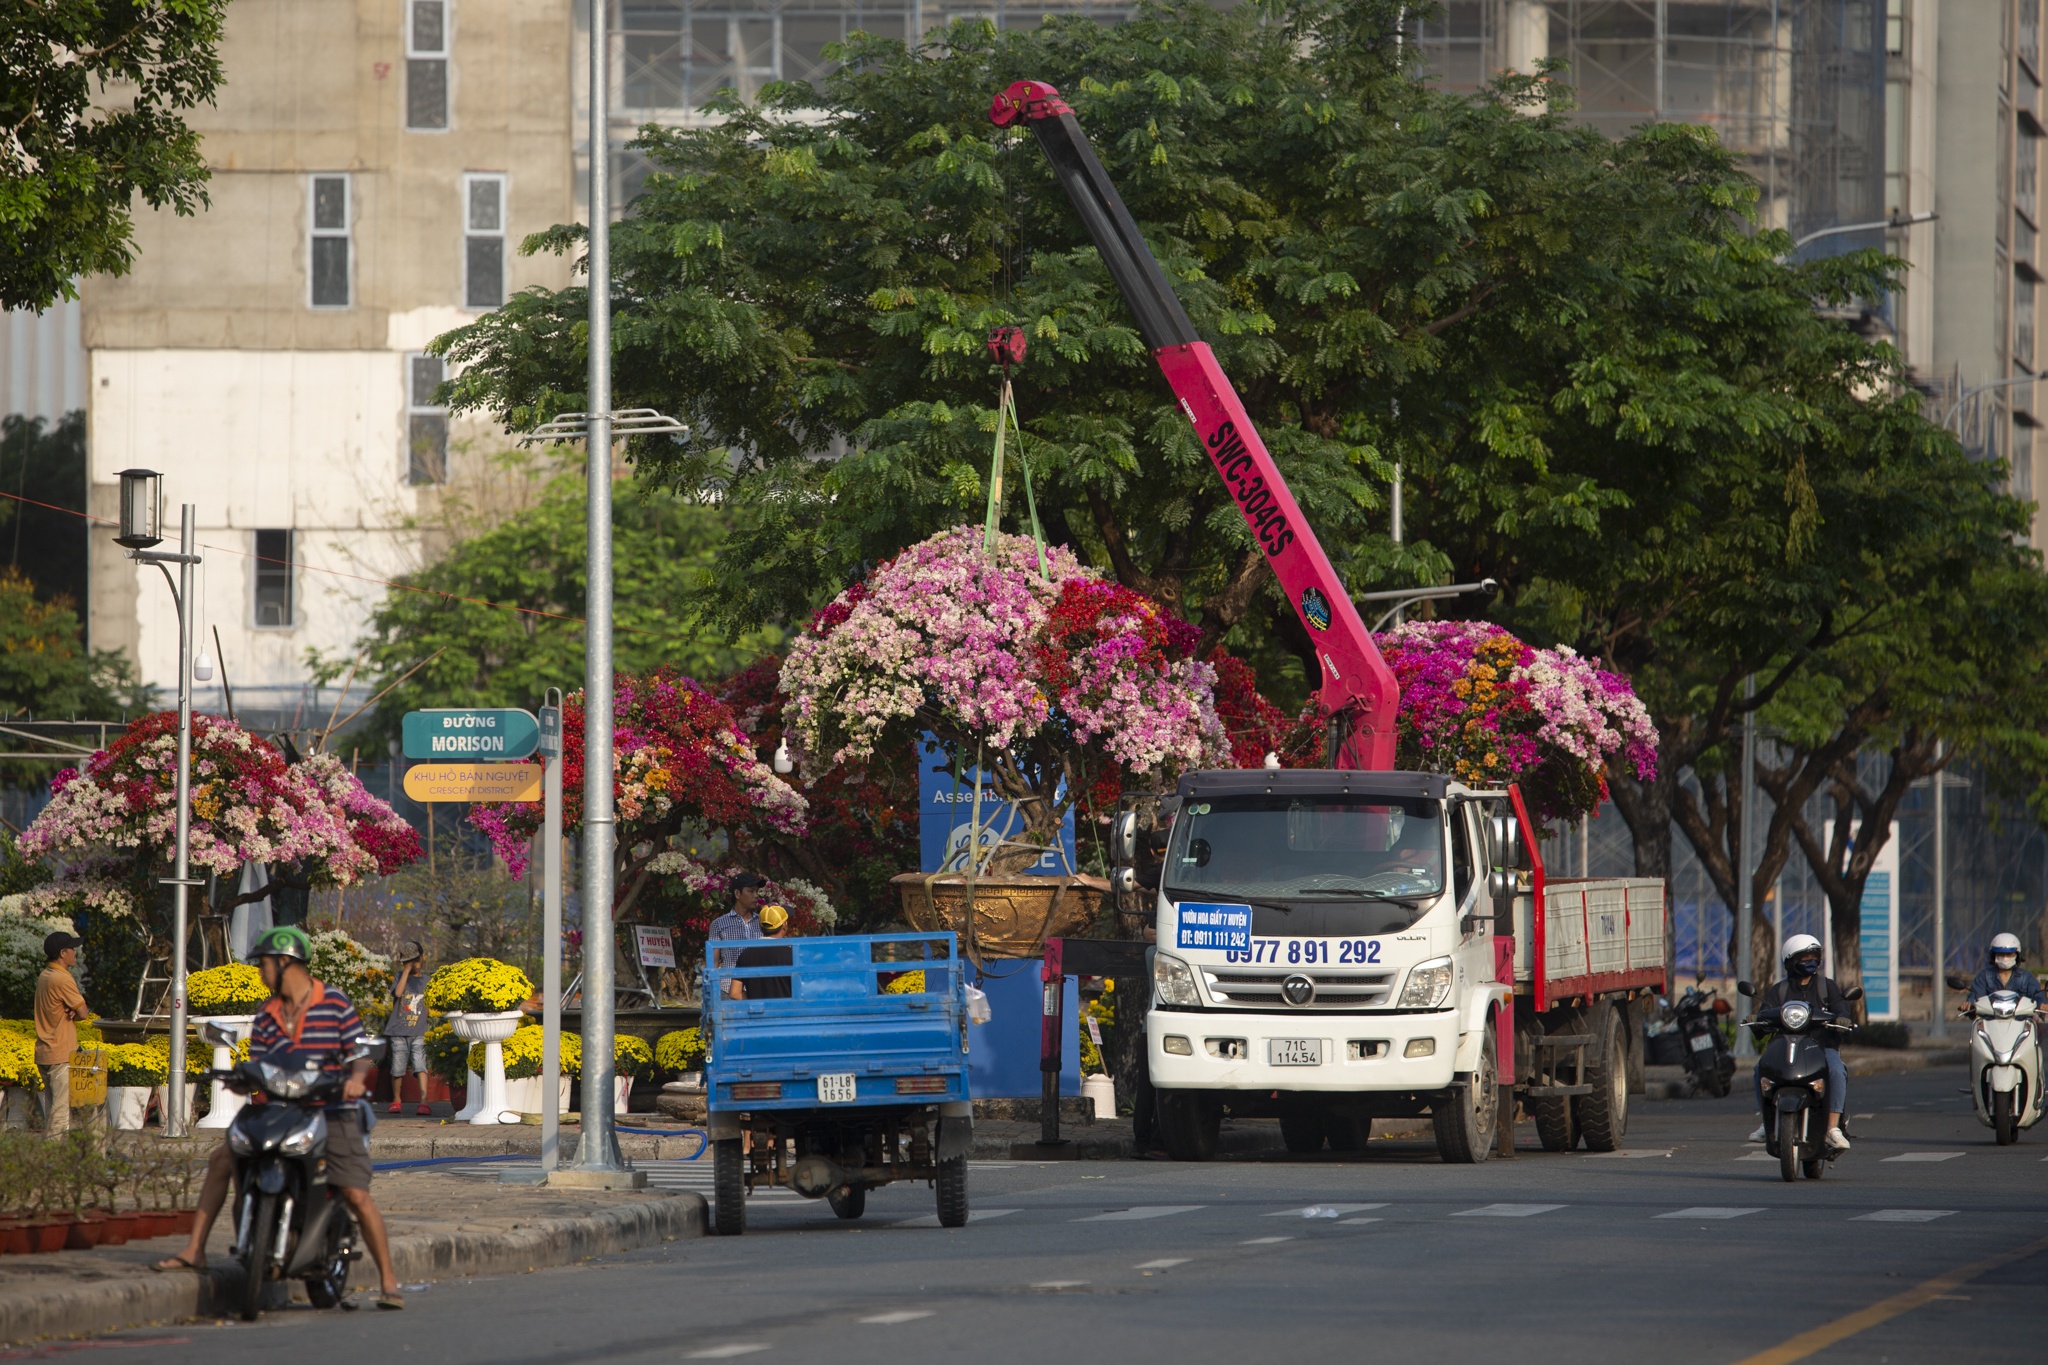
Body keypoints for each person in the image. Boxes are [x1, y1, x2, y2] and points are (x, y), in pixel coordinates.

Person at [154, 926, 405, 1309]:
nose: (260, 972)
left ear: (286, 962)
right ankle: (195, 1249)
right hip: (278, 1109)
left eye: (264, 964)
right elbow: (262, 1062)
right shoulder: (267, 1013)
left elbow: (358, 1053)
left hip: (332, 1110)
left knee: (355, 1193)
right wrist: (243, 1079)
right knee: (222, 1159)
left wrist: (355, 1080)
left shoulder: (334, 1002)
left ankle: (388, 1281)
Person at [1745, 932, 1853, 1152]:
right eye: (1804, 958)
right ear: (1790, 961)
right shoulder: (1779, 990)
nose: (1810, 961)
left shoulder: (1826, 987)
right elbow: (1765, 1012)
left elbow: (1841, 1009)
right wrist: (1756, 1020)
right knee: (1760, 1069)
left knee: (1836, 1070)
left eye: (1814, 957)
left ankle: (1832, 1128)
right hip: (1786, 1046)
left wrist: (1842, 1018)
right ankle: (1768, 1122)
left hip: (1821, 1047)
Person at [33, 932, 92, 1135]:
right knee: (60, 1114)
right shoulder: (62, 978)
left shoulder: (45, 975)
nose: (75, 953)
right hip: (60, 1054)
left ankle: (50, 1151)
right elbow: (83, 1013)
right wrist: (75, 1011)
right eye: (72, 949)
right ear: (62, 953)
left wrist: (71, 1010)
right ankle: (54, 1152)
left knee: (52, 1110)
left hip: (45, 1051)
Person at [385, 941, 432, 1116]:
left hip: (418, 1032)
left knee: (420, 1065)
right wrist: (405, 971)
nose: (414, 965)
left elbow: (429, 1005)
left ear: (423, 957)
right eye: (409, 962)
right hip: (398, 1032)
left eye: (416, 961)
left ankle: (424, 1101)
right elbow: (398, 993)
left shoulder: (427, 981)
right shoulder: (400, 976)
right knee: (398, 1067)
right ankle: (396, 1099)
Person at [708, 872, 767, 998]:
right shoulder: (718, 924)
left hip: (758, 990)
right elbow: (713, 963)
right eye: (751, 891)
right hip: (727, 991)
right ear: (737, 893)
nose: (756, 895)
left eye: (757, 891)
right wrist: (714, 993)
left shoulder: (763, 922)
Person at [1963, 932, 2045, 1010]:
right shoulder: (1984, 976)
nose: (2005, 957)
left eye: (2009, 954)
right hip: (1991, 1019)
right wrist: (1969, 1004)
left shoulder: (2026, 977)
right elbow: (1975, 996)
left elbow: (2038, 997)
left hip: (2020, 1019)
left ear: (2017, 955)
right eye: (2001, 954)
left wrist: (2042, 1005)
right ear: (1993, 955)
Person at [736, 904, 794, 1000]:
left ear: (760, 925)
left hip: (757, 1009)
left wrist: (756, 1000)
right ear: (784, 925)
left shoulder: (745, 954)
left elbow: (735, 993)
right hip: (785, 1008)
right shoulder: (792, 954)